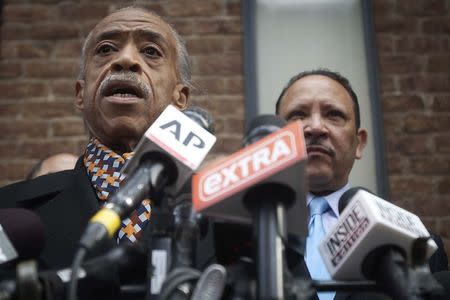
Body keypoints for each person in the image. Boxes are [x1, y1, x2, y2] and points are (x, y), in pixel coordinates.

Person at [0, 6, 194, 272]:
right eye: (105, 49)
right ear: (81, 93)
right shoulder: (11, 212)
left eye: (150, 51)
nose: (125, 59)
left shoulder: (227, 218)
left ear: (179, 98)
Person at [276, 69, 448, 300]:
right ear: (274, 141)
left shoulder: (417, 244)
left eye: (333, 114)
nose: (315, 127)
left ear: (359, 143)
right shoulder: (240, 243)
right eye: (298, 115)